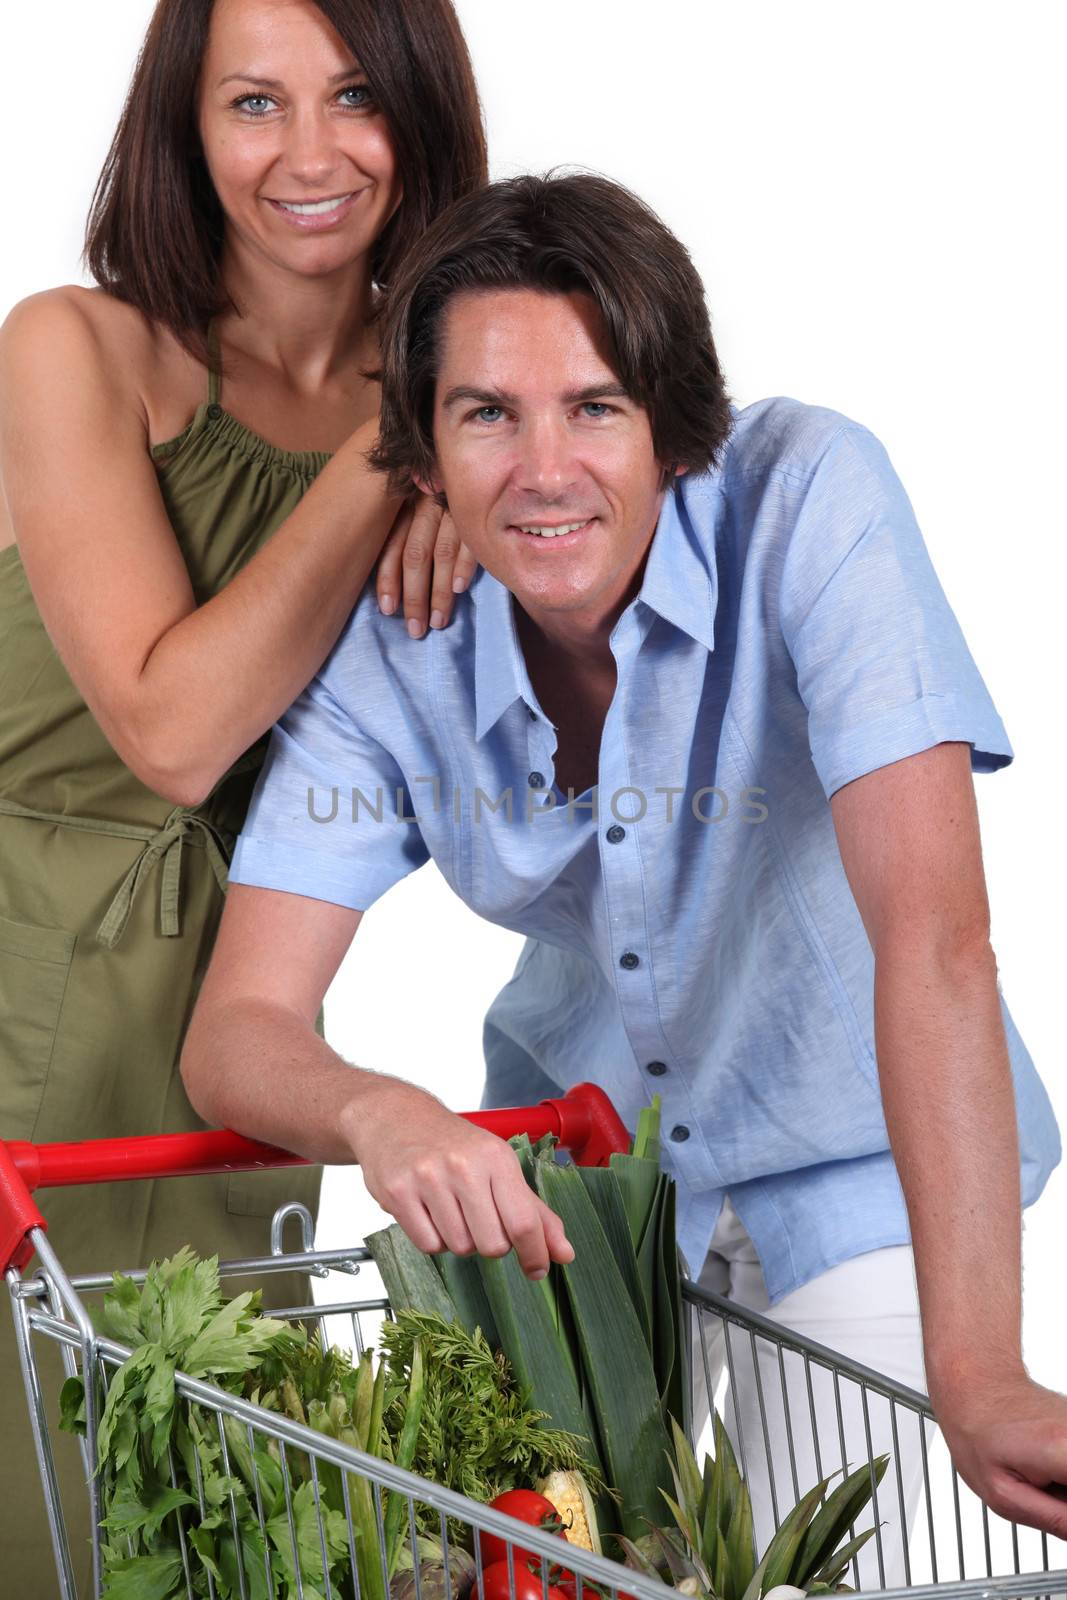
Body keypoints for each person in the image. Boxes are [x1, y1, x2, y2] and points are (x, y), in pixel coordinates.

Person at [182, 171, 1067, 1571]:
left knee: (820, 1565)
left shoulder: (809, 501)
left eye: (594, 406)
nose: (544, 468)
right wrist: (381, 1110)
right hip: (582, 1195)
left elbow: (938, 946)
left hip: (857, 1157)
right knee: (483, 1564)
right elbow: (238, 1030)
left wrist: (979, 1375)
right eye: (487, 414)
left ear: (673, 425)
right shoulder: (393, 647)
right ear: (419, 454)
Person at [0, 0, 486, 1587]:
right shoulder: (77, 349)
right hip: (25, 1000)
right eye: (253, 103)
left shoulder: (471, 397)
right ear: (184, 128)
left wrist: (478, 474)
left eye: (357, 96)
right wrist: (392, 448)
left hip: (244, 1037)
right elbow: (174, 729)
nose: (311, 154)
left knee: (223, 1522)